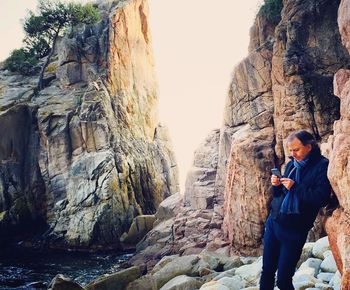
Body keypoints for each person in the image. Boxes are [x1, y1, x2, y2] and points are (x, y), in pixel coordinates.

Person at [259, 130, 332, 290]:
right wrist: (276, 186)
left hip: (294, 231)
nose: (292, 154)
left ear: (309, 147)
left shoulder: (322, 166)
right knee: (267, 272)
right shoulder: (292, 164)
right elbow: (280, 195)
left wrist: (295, 187)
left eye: (296, 150)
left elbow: (320, 198)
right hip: (274, 223)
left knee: (284, 280)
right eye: (290, 150)